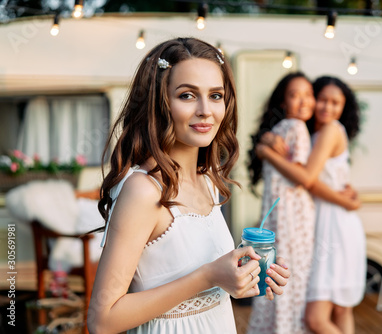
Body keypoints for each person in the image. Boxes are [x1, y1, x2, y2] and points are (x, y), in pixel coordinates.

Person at [87, 37, 290, 334]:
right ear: (160, 102)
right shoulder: (144, 190)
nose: (206, 110)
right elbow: (102, 321)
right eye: (187, 96)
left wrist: (245, 273)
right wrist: (208, 276)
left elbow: (206, 282)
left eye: (216, 96)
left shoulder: (207, 180)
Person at [256, 76, 365, 334]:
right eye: (323, 100)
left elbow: (307, 180)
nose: (327, 107)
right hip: (326, 220)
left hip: (335, 224)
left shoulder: (329, 130)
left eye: (336, 103)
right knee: (340, 310)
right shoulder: (310, 131)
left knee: (317, 318)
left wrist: (264, 151)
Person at [246, 72, 316, 334]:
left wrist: (264, 151)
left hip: (290, 216)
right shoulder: (290, 128)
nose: (303, 101)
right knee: (286, 277)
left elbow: (300, 177)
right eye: (294, 95)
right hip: (287, 216)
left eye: (308, 95)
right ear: (283, 101)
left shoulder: (292, 128)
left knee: (276, 276)